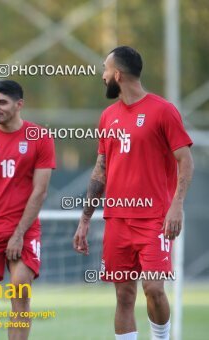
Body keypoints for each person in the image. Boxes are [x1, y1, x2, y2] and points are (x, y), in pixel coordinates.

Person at [73, 46, 194, 340]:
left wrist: (177, 205)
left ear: (117, 74)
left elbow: (185, 159)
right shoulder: (107, 117)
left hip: (154, 219)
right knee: (124, 296)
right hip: (117, 220)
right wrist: (85, 218)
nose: (102, 76)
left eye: (105, 69)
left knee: (153, 288)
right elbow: (100, 170)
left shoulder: (163, 110)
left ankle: (161, 337)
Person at [0, 80, 55, 340]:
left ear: (19, 105)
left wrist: (19, 233)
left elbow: (39, 191)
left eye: (2, 102)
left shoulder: (39, 137)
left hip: (23, 229)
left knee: (20, 289)